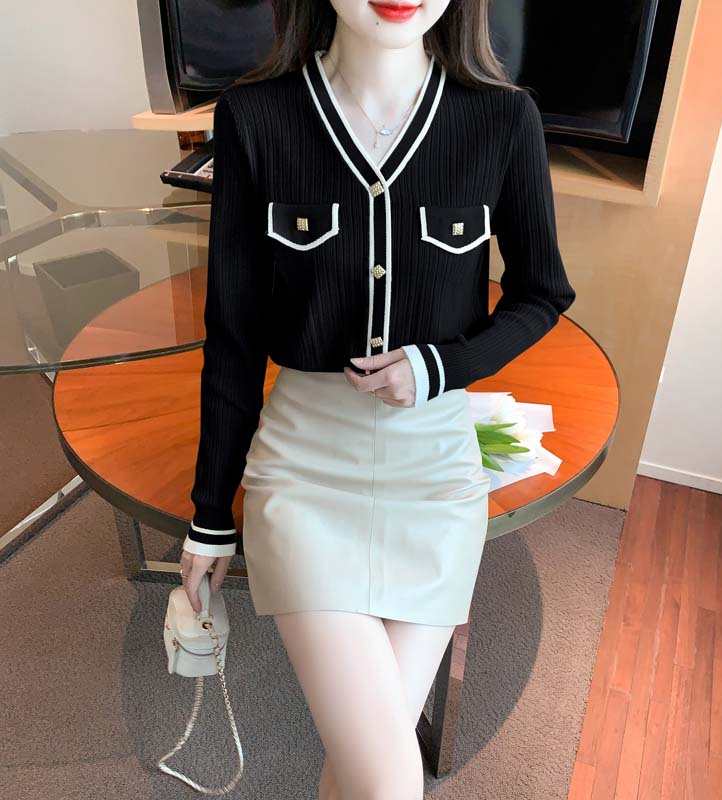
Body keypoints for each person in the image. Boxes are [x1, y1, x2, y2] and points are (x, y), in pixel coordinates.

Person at [180, 1, 576, 797]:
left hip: (435, 477)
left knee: (364, 773)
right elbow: (233, 336)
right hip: (305, 473)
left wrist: (441, 366)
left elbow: (543, 293)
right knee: (389, 781)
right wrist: (211, 515)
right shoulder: (257, 117)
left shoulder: (503, 120)